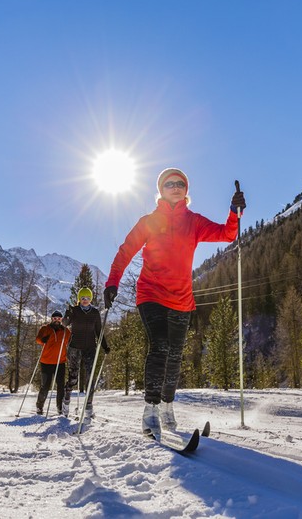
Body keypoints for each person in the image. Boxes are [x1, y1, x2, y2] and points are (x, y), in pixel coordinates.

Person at [103, 168, 246, 438]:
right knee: (160, 346)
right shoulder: (149, 221)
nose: (176, 187)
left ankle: (168, 407)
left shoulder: (193, 222)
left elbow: (227, 234)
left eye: (180, 183)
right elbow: (125, 251)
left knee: (175, 356)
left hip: (181, 299)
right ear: (161, 189)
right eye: (170, 184)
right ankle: (151, 411)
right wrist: (112, 282)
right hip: (151, 294)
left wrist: (233, 211)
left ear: (186, 190)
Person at [63, 287, 109, 422]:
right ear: (79, 299)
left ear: (91, 299)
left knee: (90, 378)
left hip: (90, 348)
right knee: (73, 377)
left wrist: (105, 346)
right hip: (74, 347)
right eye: (82, 298)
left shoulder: (95, 313)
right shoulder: (75, 311)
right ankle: (66, 402)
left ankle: (89, 407)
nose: (85, 300)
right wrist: (67, 314)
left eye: (87, 298)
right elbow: (65, 324)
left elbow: (99, 331)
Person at [34, 311, 71, 416]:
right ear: (51, 319)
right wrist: (42, 340)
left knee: (60, 386)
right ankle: (39, 406)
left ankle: (60, 407)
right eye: (55, 318)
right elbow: (38, 339)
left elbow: (71, 341)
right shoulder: (45, 329)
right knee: (45, 386)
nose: (57, 320)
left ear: (61, 320)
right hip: (46, 362)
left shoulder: (65, 331)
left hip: (60, 362)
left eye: (59, 318)